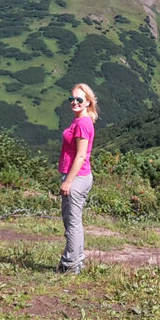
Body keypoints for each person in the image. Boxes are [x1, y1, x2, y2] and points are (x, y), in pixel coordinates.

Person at [57, 82, 98, 274]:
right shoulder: (81, 120)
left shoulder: (82, 123)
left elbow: (81, 156)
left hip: (77, 178)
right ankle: (77, 261)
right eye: (71, 98)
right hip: (81, 177)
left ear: (88, 102)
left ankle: (70, 265)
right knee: (75, 222)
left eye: (79, 99)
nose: (74, 102)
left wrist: (68, 181)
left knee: (72, 223)